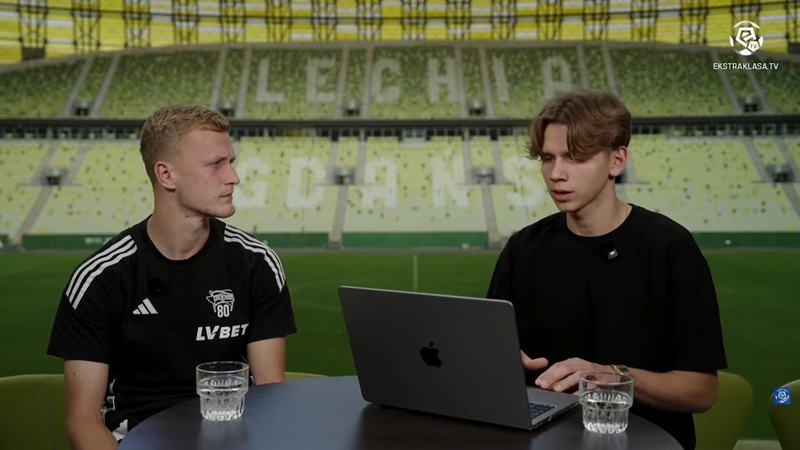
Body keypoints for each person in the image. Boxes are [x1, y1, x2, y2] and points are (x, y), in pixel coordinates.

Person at [486, 89, 726, 450]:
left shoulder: (670, 247)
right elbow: (492, 357)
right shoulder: (522, 248)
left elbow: (702, 391)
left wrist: (614, 376)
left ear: (617, 160)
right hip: (543, 442)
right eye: (548, 158)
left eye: (575, 157)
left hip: (646, 443)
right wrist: (499, 360)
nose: (556, 174)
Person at [47, 105, 297, 450]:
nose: (233, 177)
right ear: (166, 175)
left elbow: (270, 396)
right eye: (215, 164)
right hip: (136, 439)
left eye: (231, 162)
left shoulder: (257, 263)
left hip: (234, 439)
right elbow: (82, 422)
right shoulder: (100, 278)